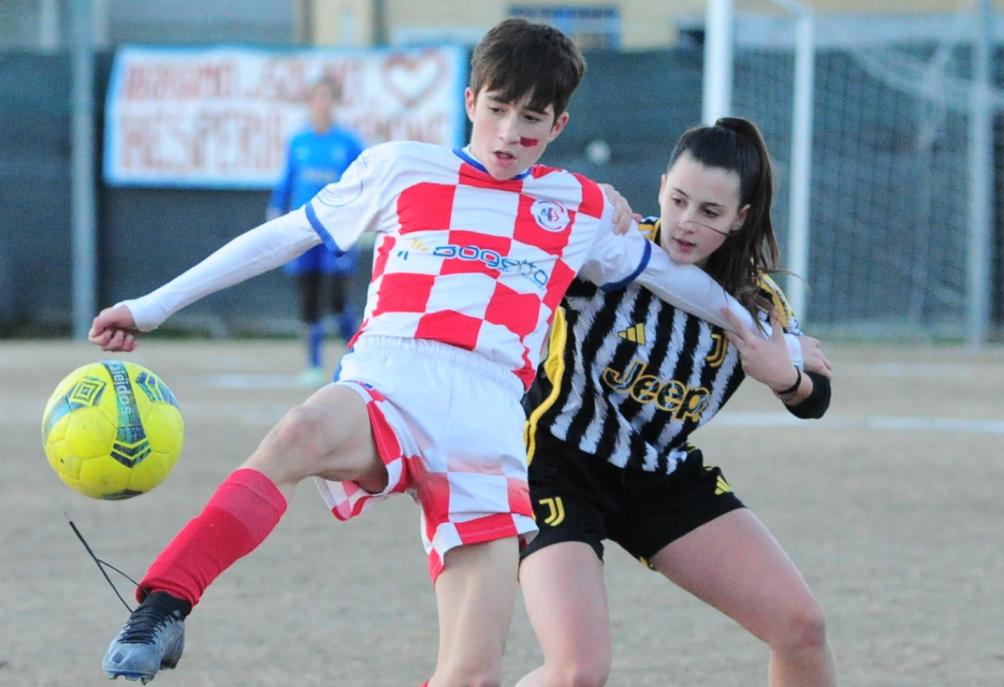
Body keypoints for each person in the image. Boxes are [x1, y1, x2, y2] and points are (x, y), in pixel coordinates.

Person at [89, 21, 800, 686]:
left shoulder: (579, 206)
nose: (510, 133)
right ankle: (163, 606)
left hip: (488, 429)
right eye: (497, 109)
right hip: (388, 382)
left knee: (471, 672)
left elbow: (670, 276)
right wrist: (148, 307)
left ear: (560, 125)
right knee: (298, 432)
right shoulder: (402, 167)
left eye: (532, 119)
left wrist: (768, 337)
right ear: (470, 100)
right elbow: (283, 237)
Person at [516, 119, 838, 687]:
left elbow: (815, 397)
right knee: (576, 671)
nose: (686, 223)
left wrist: (787, 378)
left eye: (710, 213)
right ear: (661, 186)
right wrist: (589, 198)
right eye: (678, 200)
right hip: (556, 466)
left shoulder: (758, 304)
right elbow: (525, 221)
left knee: (801, 627)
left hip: (658, 475)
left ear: (741, 218)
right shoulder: (612, 253)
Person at [266, 76, 365, 385]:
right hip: (303, 230)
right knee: (308, 297)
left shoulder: (348, 143)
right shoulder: (298, 142)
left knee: (337, 298)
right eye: (317, 97)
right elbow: (289, 179)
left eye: (327, 97)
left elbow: (363, 183)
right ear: (309, 102)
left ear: (334, 102)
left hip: (337, 232)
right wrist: (275, 210)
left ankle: (359, 359)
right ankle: (313, 364)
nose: (322, 103)